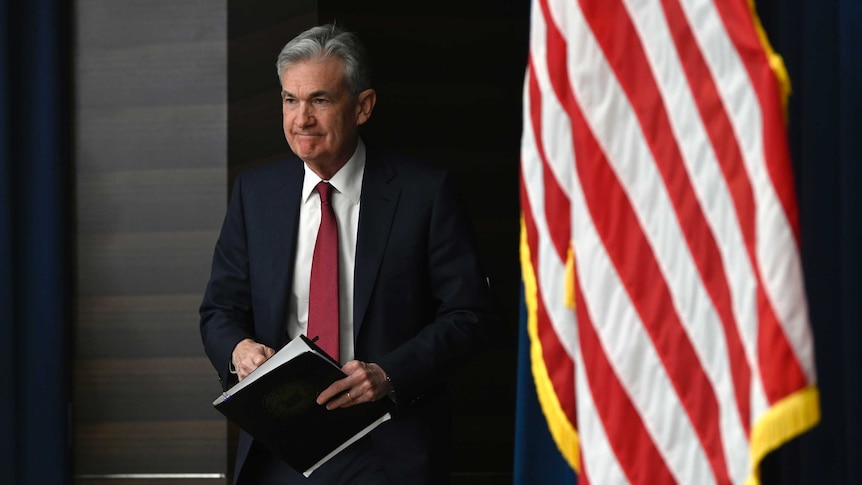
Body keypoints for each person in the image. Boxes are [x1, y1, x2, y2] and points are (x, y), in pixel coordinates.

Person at [199, 23, 496, 484]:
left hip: (387, 444)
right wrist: (238, 351)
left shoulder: (424, 192)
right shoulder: (255, 194)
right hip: (279, 445)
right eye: (289, 100)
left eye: (319, 99)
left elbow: (470, 315)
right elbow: (220, 309)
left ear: (363, 106)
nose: (301, 119)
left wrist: (389, 374)